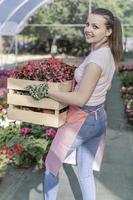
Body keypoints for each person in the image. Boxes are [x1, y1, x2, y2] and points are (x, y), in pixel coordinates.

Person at [44, 8, 123, 200]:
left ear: (108, 31)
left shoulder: (96, 60)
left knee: (51, 166)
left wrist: (49, 92)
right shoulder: (107, 53)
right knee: (85, 171)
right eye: (87, 24)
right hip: (99, 118)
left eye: (95, 26)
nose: (88, 29)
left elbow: (80, 99)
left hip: (81, 120)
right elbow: (107, 84)